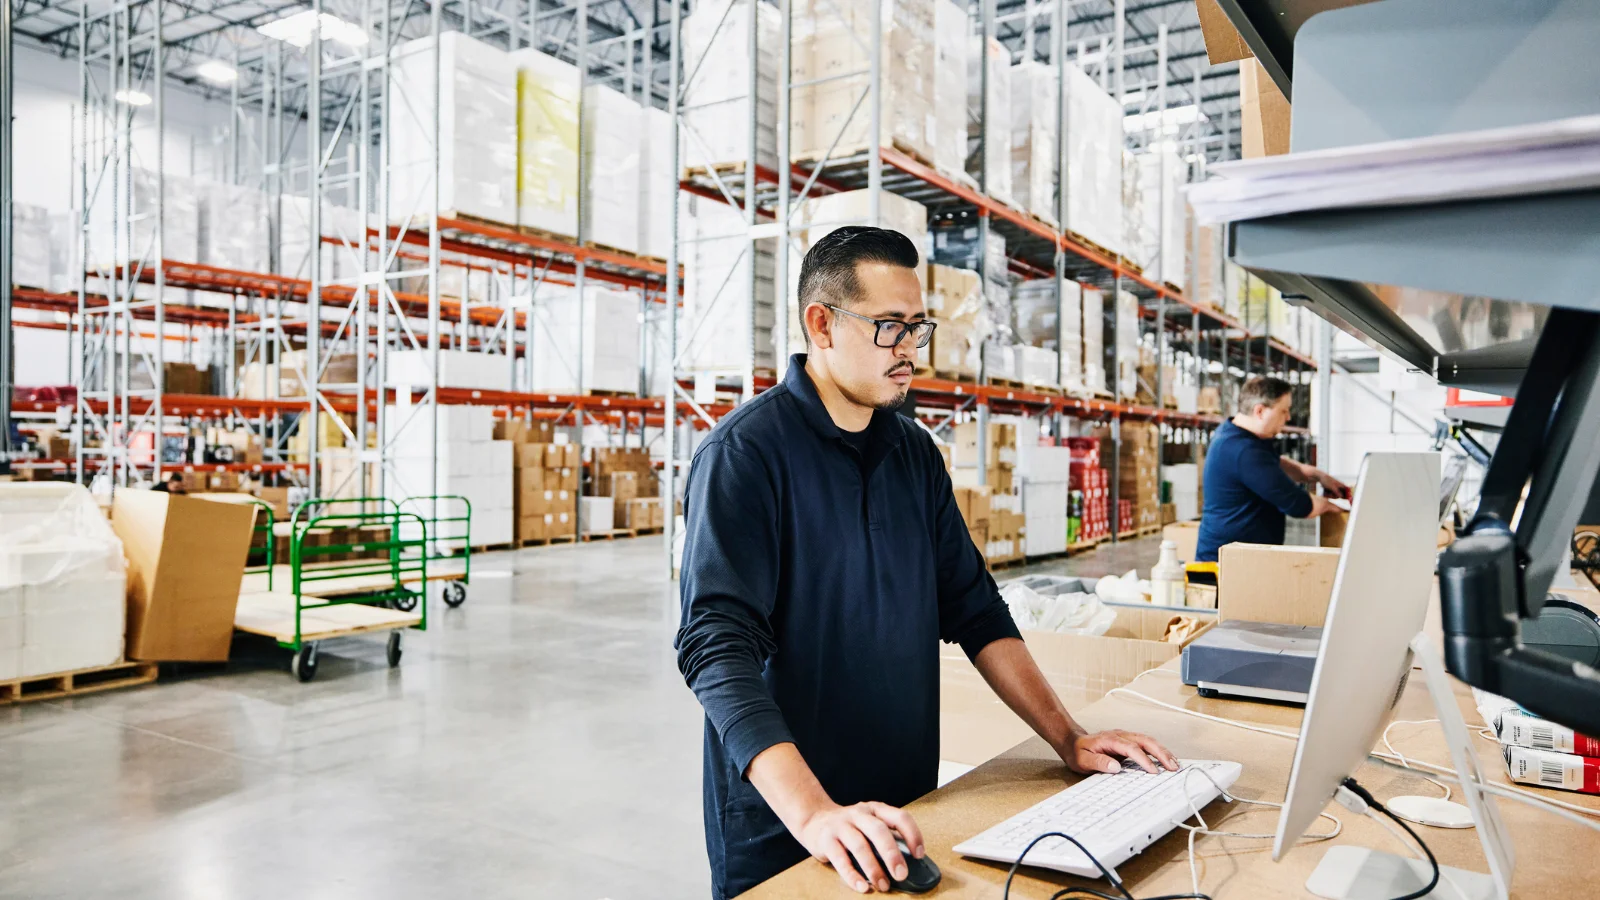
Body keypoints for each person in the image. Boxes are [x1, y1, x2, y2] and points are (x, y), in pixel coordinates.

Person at [674, 226, 1179, 899]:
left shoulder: (913, 456)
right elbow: (716, 649)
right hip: (790, 826)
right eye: (889, 327)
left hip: (908, 811)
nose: (910, 349)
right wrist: (815, 813)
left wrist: (1068, 738)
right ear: (820, 325)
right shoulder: (745, 457)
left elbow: (974, 608)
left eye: (918, 327)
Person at [1194, 376, 1349, 563]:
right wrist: (1336, 508)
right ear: (1260, 411)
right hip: (1227, 565)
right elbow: (1300, 505)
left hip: (1240, 558)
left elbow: (1273, 463)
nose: (1288, 417)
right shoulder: (1244, 451)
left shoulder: (1236, 433)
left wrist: (1317, 475)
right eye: (1284, 411)